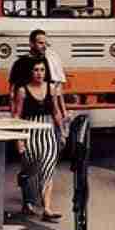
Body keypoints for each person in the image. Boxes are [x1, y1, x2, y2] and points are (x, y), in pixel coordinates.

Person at [11, 30, 68, 211]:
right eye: (40, 42)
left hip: (47, 127)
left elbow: (54, 97)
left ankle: (47, 208)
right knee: (31, 165)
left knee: (48, 165)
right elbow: (13, 92)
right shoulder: (20, 64)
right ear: (31, 43)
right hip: (28, 123)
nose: (43, 46)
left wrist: (62, 126)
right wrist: (17, 134)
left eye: (45, 43)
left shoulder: (46, 64)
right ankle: (28, 198)